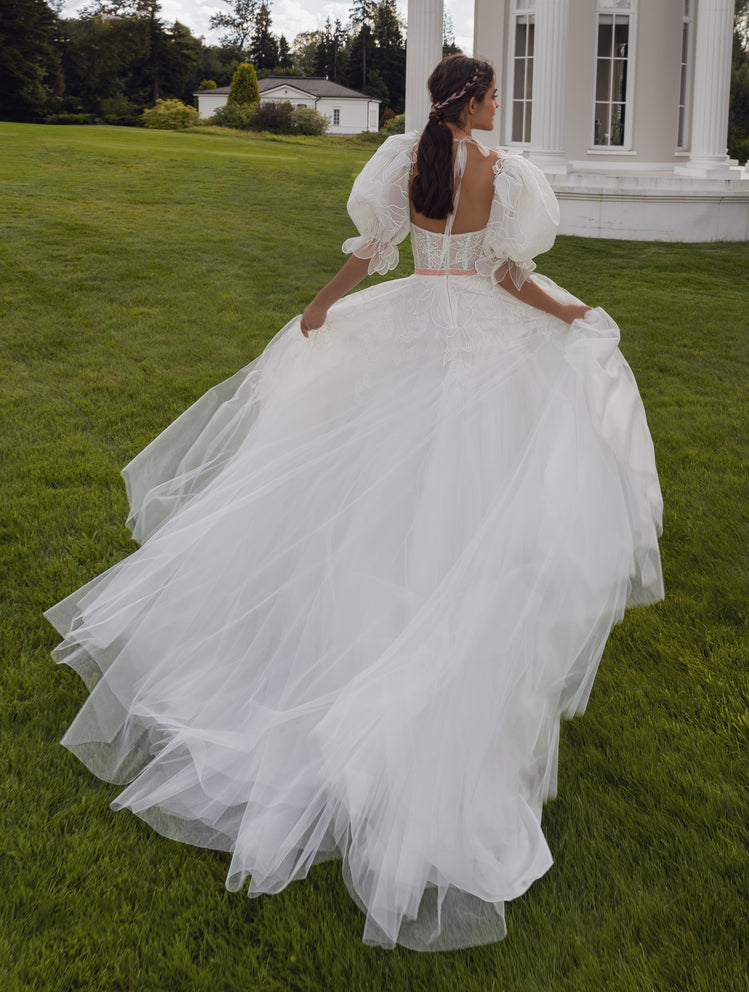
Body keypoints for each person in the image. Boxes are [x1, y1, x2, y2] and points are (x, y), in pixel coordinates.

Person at [46, 55, 664, 952]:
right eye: (493, 93)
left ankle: (344, 644)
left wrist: (318, 310)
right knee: (466, 511)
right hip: (476, 345)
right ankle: (429, 697)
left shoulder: (402, 160)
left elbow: (377, 255)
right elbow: (507, 276)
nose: (500, 103)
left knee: (370, 497)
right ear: (475, 100)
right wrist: (576, 315)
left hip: (411, 328)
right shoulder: (499, 170)